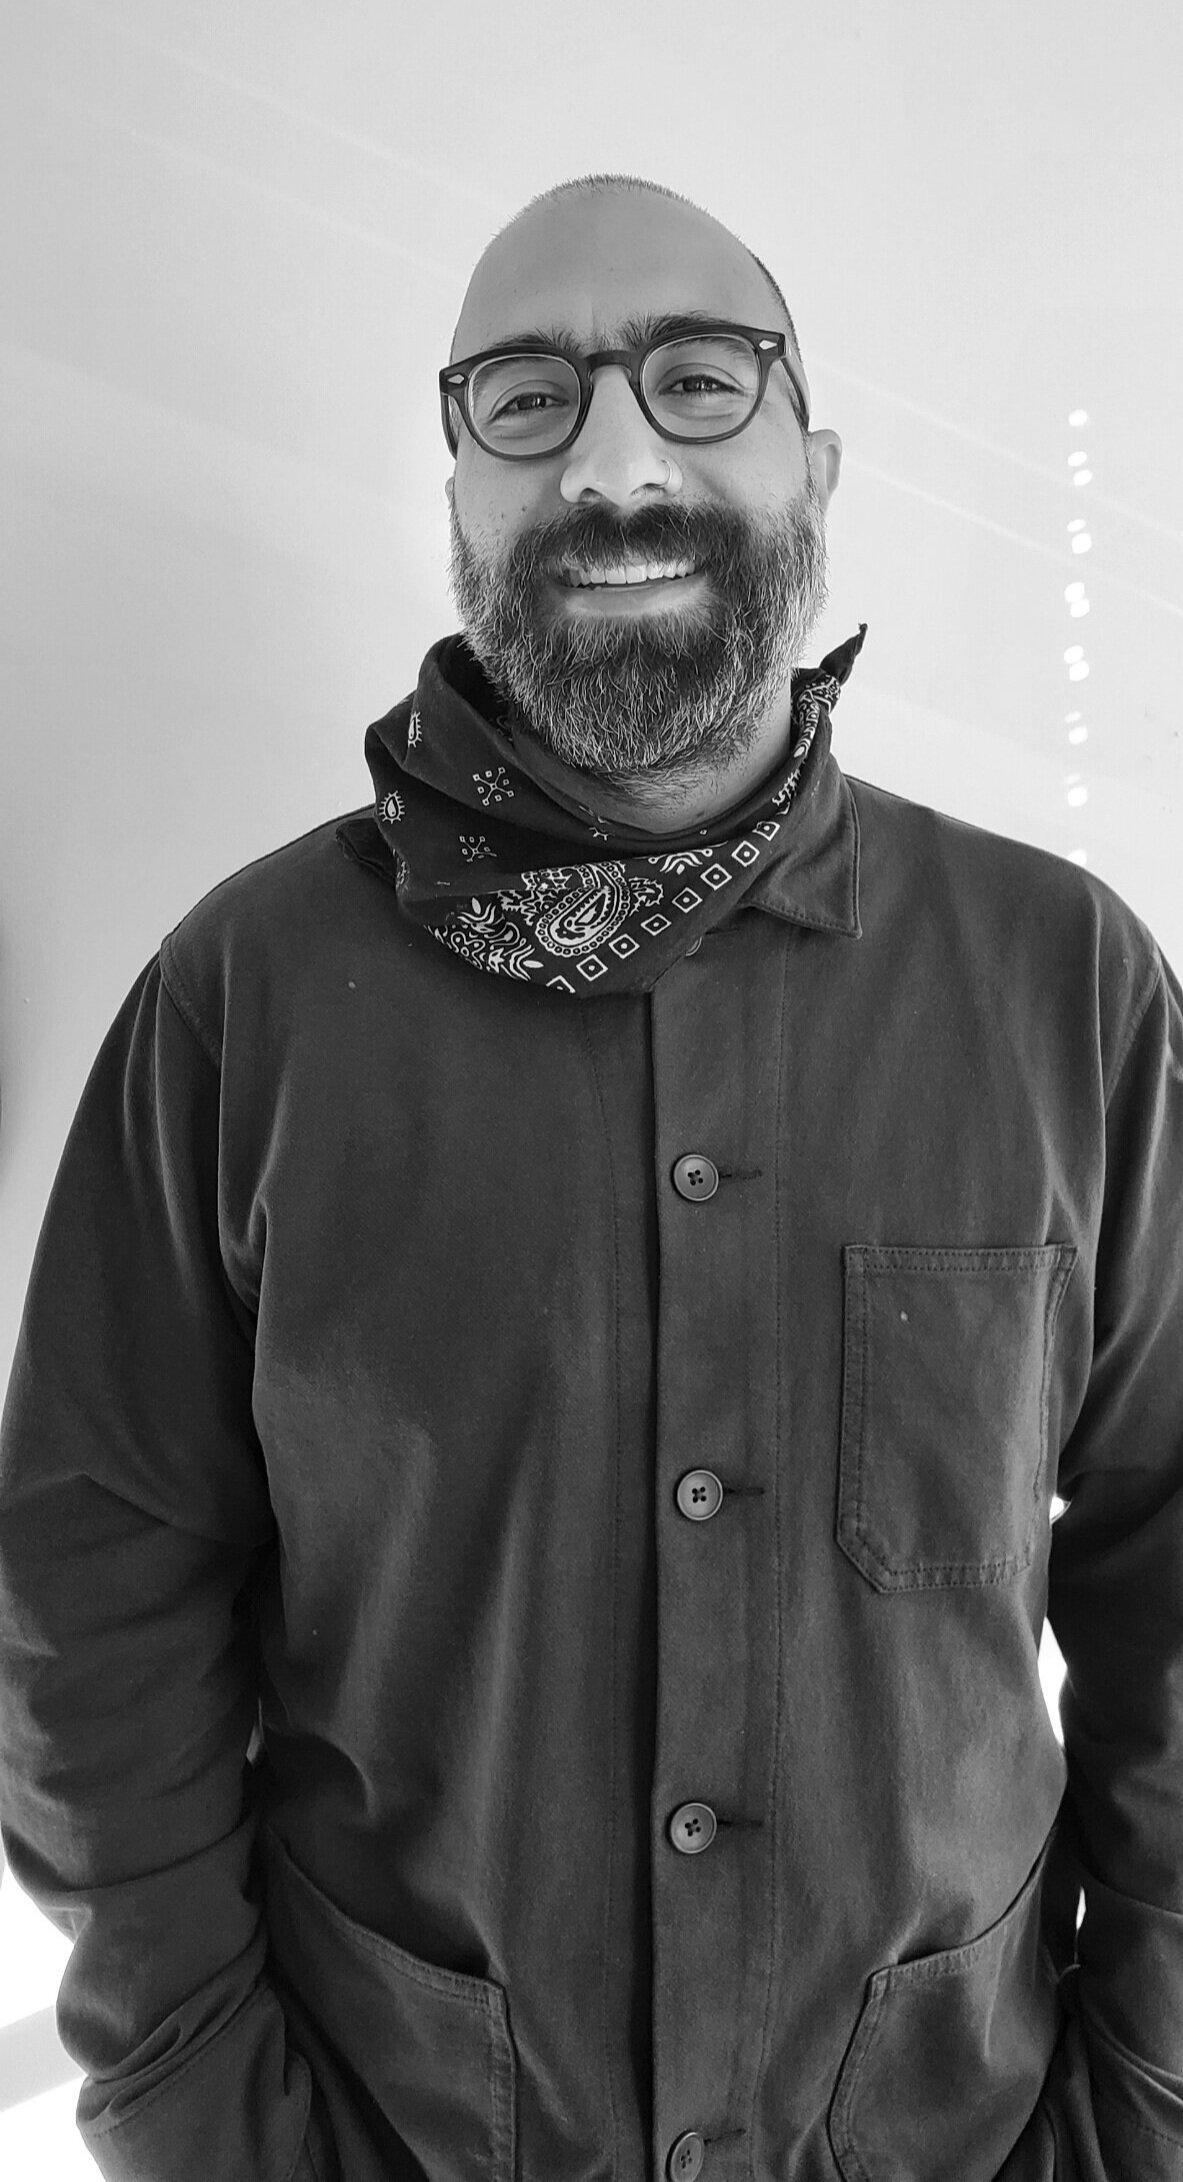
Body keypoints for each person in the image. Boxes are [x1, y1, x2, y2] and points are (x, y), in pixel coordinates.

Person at [0, 170, 1180, 2182]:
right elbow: (93, 1603)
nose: (617, 455)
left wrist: (1143, 2106)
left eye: (697, 380)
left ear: (811, 460)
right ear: (457, 479)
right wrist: (206, 2121)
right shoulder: (242, 1000)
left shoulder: (1064, 982)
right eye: (529, 397)